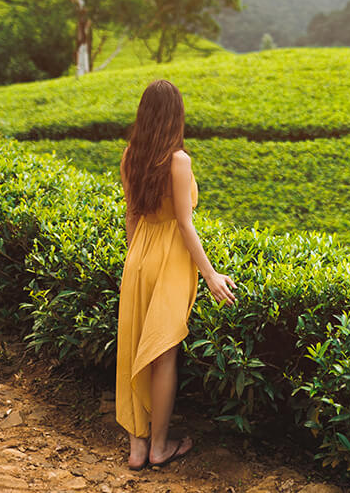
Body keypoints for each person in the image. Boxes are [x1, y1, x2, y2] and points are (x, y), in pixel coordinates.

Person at [115, 79, 237, 470]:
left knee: (136, 348)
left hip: (138, 257)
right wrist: (212, 274)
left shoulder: (130, 155)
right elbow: (185, 225)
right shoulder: (178, 161)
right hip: (169, 261)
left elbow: (132, 216)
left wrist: (133, 263)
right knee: (162, 355)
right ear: (175, 116)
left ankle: (137, 448)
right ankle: (159, 447)